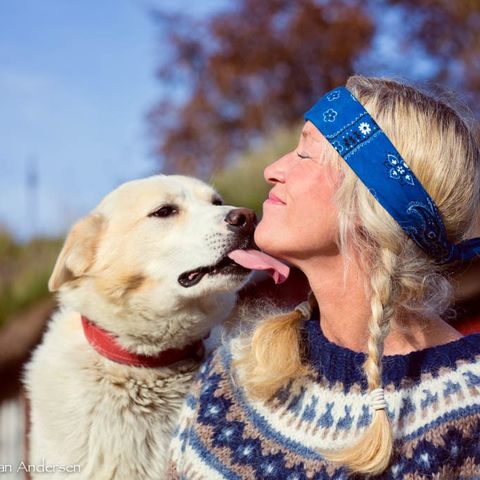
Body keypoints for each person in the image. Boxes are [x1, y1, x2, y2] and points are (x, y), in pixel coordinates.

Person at [166, 76, 480, 478]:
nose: (272, 169)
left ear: (372, 197)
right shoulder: (232, 377)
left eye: (305, 153)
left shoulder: (469, 411)